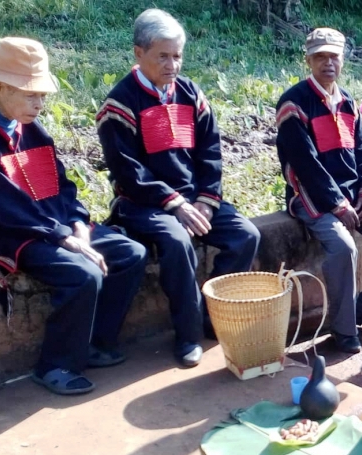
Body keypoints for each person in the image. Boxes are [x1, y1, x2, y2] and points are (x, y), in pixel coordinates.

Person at [0, 37, 147, 395]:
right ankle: (55, 364)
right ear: (0, 86)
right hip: (8, 230)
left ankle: (93, 343)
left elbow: (62, 186)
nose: (39, 104)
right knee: (82, 274)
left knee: (130, 254)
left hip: (53, 222)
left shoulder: (31, 128)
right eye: (30, 94)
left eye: (42, 95)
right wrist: (61, 236)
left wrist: (79, 224)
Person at [97, 9, 261, 367]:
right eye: (163, 56)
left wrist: (205, 200)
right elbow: (128, 171)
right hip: (142, 203)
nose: (172, 65)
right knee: (176, 240)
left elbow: (210, 151)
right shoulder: (119, 104)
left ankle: (212, 315)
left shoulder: (191, 94)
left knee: (245, 235)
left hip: (192, 200)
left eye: (177, 56)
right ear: (139, 54)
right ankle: (187, 334)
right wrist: (173, 203)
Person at [275, 27, 362, 354]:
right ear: (308, 60)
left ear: (343, 60)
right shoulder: (294, 103)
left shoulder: (348, 102)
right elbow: (305, 164)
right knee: (344, 247)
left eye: (334, 56)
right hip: (311, 199)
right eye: (320, 56)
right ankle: (344, 331)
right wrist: (337, 204)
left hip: (350, 199)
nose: (328, 63)